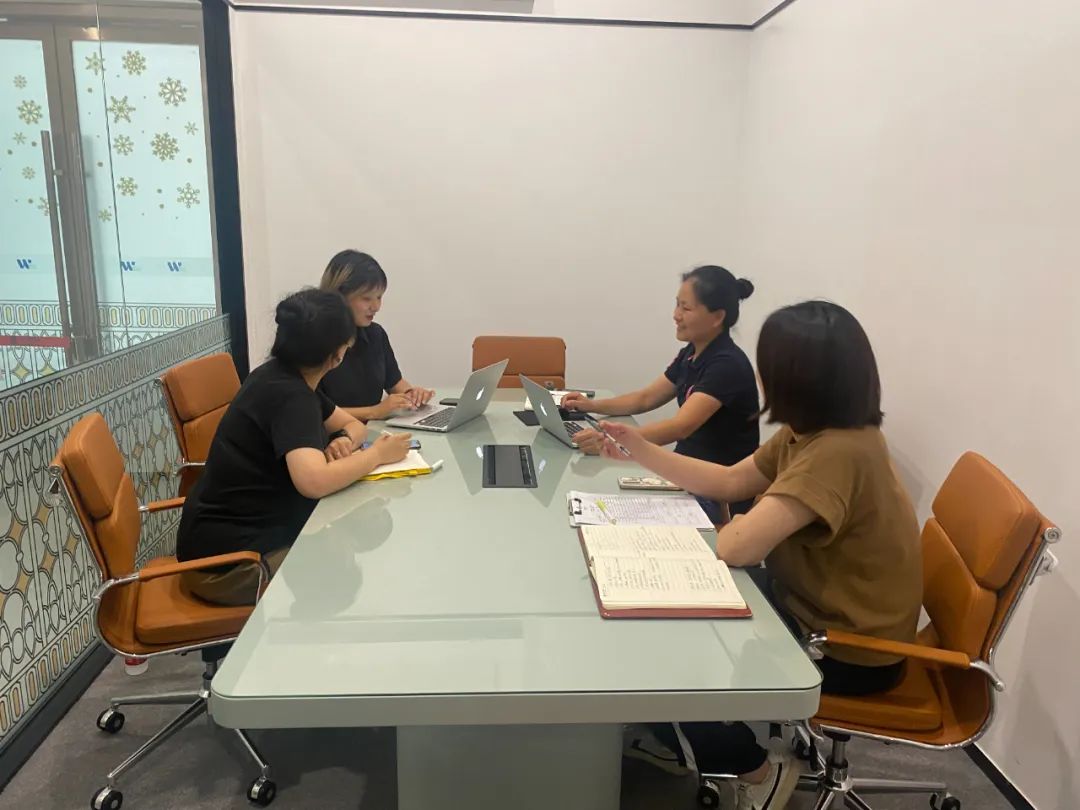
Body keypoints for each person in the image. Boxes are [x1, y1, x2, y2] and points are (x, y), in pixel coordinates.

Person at [600, 301, 922, 810]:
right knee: (665, 626)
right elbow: (732, 480)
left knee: (668, 650)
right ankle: (676, 737)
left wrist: (737, 525)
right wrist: (637, 447)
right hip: (812, 605)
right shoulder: (812, 432)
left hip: (847, 647)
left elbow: (737, 545)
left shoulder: (836, 452)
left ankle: (757, 769)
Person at [176, 288, 413, 606]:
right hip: (229, 566)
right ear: (337, 355)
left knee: (339, 536)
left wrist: (343, 439)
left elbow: (354, 425)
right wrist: (377, 455)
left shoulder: (283, 377)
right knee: (337, 569)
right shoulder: (291, 397)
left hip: (222, 545)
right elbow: (314, 481)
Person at [563, 265, 759, 518]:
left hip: (714, 495)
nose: (676, 315)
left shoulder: (727, 365)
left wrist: (611, 440)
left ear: (717, 317)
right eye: (677, 305)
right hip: (686, 478)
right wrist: (591, 405)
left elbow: (680, 427)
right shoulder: (692, 353)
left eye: (686, 308)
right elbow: (644, 398)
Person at [318, 250, 435, 420]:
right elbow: (314, 411)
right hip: (334, 434)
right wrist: (374, 411)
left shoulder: (375, 334)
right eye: (367, 299)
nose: (376, 307)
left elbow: (395, 383)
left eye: (379, 297)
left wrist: (412, 395)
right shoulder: (314, 341)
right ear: (339, 296)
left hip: (372, 429)